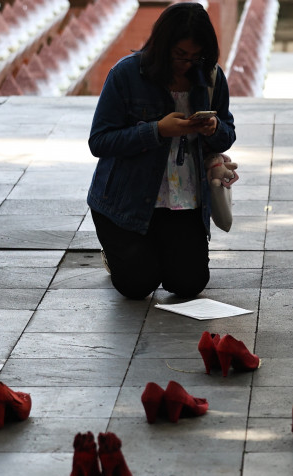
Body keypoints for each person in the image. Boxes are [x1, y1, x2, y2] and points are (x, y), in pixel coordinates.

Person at [87, 2, 235, 299]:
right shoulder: (126, 75)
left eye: (196, 57)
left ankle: (152, 251)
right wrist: (157, 130)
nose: (188, 64)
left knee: (188, 284)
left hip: (182, 199)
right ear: (162, 45)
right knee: (137, 286)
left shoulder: (211, 77)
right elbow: (99, 141)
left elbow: (227, 133)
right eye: (180, 55)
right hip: (126, 202)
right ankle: (117, 253)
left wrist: (214, 129)